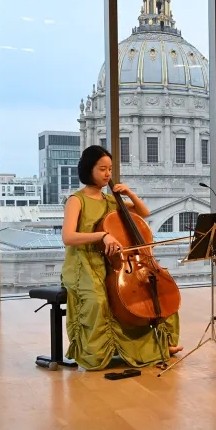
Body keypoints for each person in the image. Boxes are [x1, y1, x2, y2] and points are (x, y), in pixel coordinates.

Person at [60, 145, 182, 370]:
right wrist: (102, 235)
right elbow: (68, 237)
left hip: (112, 263)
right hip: (83, 262)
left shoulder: (110, 201)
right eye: (102, 169)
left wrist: (129, 193)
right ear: (89, 170)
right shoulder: (76, 200)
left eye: (110, 169)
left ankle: (162, 344)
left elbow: (144, 213)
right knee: (99, 301)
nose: (107, 174)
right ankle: (95, 353)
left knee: (159, 293)